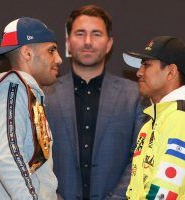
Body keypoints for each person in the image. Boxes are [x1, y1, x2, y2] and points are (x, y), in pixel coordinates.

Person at [44, 5, 143, 200]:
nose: (88, 42)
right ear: (68, 42)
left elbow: (140, 158)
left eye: (96, 34)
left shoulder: (134, 96)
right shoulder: (44, 95)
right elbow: (34, 158)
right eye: (80, 34)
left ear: (109, 43)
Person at [0, 17, 62, 199]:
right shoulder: (12, 90)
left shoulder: (25, 92)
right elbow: (8, 156)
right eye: (51, 50)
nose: (59, 59)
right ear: (27, 53)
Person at [123, 36, 185, 199]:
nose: (139, 72)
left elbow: (164, 193)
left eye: (146, 65)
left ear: (171, 72)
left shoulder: (182, 118)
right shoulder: (155, 120)